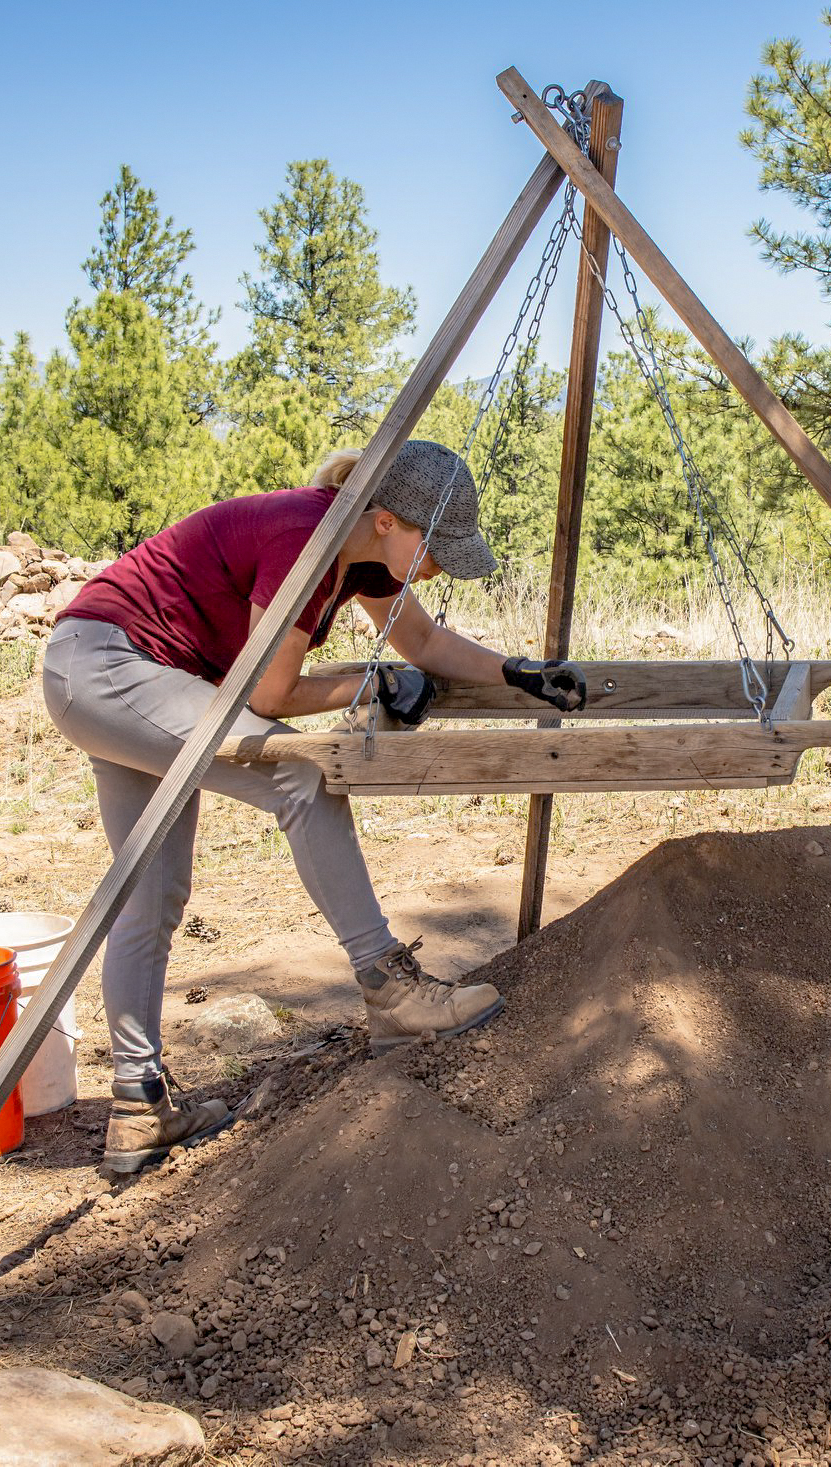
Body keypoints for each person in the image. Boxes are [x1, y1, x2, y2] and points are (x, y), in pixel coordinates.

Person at [42, 441, 588, 1174]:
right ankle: (389, 988)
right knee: (304, 775)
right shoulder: (308, 538)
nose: (437, 567)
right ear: (387, 519)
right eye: (434, 549)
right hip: (108, 667)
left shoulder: (357, 552)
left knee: (153, 886)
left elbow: (420, 638)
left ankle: (139, 1103)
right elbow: (270, 696)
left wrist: (516, 672)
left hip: (115, 670)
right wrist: (373, 680)